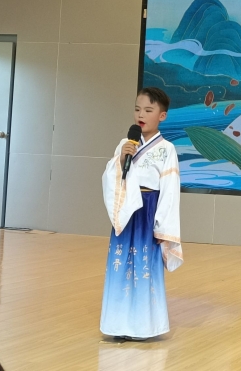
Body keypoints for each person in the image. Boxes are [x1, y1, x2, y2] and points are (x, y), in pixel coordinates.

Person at [100, 87, 182, 340]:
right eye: (137, 109)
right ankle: (118, 325)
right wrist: (120, 160)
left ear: (162, 116)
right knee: (121, 264)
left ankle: (143, 326)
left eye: (148, 110)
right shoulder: (126, 144)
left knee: (144, 265)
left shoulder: (167, 149)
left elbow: (170, 189)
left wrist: (162, 224)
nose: (141, 115)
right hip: (127, 210)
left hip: (148, 212)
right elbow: (113, 177)